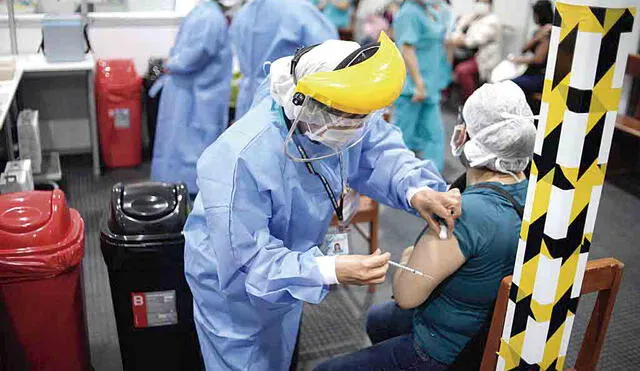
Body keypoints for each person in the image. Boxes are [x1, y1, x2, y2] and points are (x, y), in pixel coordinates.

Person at [184, 32, 462, 371]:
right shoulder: (240, 157)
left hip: (291, 262)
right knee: (245, 358)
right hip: (235, 285)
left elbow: (379, 150)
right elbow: (249, 261)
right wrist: (330, 269)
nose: (359, 127)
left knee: (280, 350)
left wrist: (414, 189)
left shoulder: (340, 115)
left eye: (363, 117)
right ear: (306, 105)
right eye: (351, 119)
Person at [316, 81, 536, 371]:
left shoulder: (462, 211)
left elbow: (406, 296)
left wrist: (408, 257)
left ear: (466, 135)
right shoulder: (538, 196)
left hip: (443, 350)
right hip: (497, 334)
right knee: (379, 320)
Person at [151, 0, 239, 196]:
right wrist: (172, 64)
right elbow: (194, 56)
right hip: (195, 98)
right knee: (191, 150)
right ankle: (187, 198)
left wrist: (169, 63)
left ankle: (177, 195)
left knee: (177, 148)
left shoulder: (204, 13)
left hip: (189, 92)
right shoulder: (211, 18)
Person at [229, 0, 338, 121]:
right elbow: (333, 61)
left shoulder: (245, 11)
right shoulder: (301, 11)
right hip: (283, 104)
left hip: (247, 100)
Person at [393, 0, 448, 172]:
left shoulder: (430, 11)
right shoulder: (409, 13)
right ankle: (397, 180)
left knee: (434, 136)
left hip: (430, 85)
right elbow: (407, 49)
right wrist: (418, 83)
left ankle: (433, 181)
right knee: (403, 139)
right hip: (414, 88)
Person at [447, 0, 501, 101]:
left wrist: (461, 39)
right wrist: (458, 37)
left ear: (489, 4)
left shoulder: (493, 21)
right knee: (445, 62)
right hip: (463, 53)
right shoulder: (473, 16)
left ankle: (471, 102)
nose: (479, 4)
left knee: (462, 71)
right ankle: (445, 96)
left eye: (483, 2)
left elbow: (475, 40)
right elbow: (457, 29)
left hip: (481, 58)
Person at [510, 1, 553, 96]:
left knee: (510, 84)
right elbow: (523, 49)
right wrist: (537, 37)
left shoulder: (548, 32)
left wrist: (519, 60)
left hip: (540, 76)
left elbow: (538, 59)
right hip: (532, 72)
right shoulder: (540, 32)